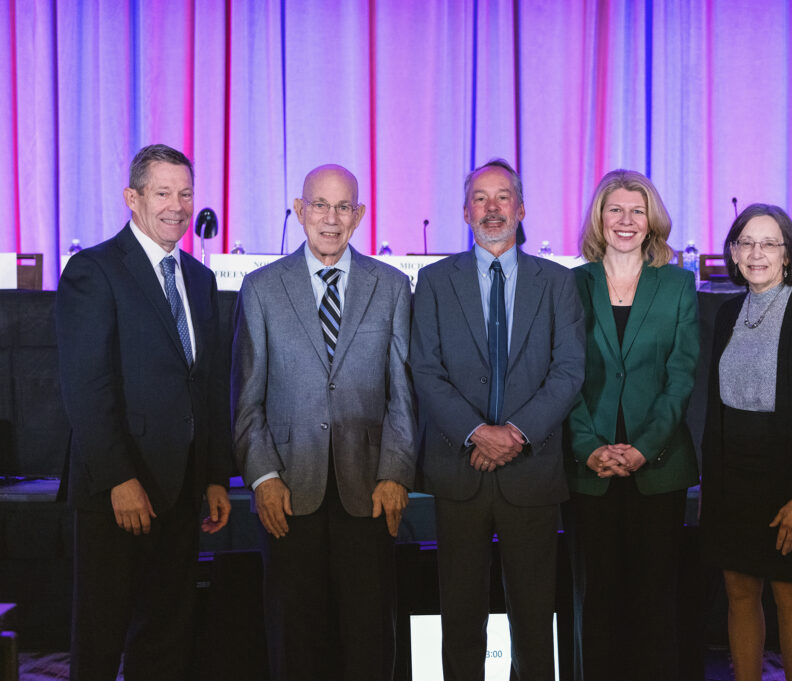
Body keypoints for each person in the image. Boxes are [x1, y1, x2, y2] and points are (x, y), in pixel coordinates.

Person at [231, 164, 416, 681]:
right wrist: (263, 477)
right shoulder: (261, 288)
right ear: (299, 210)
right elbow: (247, 398)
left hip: (371, 491)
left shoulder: (393, 287)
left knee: (369, 638)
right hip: (288, 490)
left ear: (359, 215)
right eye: (319, 205)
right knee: (295, 640)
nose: (330, 219)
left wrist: (397, 472)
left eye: (342, 207)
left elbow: (404, 394)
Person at [56, 143, 232, 681]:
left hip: (180, 491)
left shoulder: (200, 280)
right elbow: (88, 388)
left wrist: (214, 476)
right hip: (118, 492)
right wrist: (119, 479)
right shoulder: (94, 271)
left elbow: (207, 386)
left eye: (185, 193)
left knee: (166, 631)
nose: (176, 206)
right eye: (162, 193)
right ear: (132, 198)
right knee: (103, 633)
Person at [410, 158, 585, 681]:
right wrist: (476, 433)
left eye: (502, 197)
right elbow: (425, 367)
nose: (492, 208)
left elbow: (569, 370)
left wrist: (515, 434)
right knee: (460, 615)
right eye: (480, 199)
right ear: (465, 212)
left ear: (522, 208)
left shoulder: (558, 282)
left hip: (531, 471)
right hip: (459, 471)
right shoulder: (435, 281)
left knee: (534, 618)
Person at [563, 170, 699, 681]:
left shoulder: (678, 286)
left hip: (658, 468)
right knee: (596, 602)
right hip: (588, 470)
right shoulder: (569, 284)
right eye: (615, 210)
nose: (626, 220)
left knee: (654, 602)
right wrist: (587, 446)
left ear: (652, 221)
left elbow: (681, 377)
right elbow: (562, 375)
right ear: (599, 217)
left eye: (637, 211)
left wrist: (644, 447)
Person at [701, 204, 792, 681]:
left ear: (788, 254)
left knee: (789, 593)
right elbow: (716, 408)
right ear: (734, 253)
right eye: (747, 243)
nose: (757, 253)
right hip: (730, 478)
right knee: (739, 591)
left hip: (788, 478)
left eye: (769, 243)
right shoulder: (726, 313)